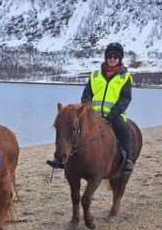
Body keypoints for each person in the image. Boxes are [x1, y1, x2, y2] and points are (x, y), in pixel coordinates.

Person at [46, 42, 134, 171]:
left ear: (119, 59)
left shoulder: (125, 77)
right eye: (110, 56)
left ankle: (128, 160)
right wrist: (87, 110)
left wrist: (111, 115)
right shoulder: (95, 75)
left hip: (114, 115)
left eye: (115, 57)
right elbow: (87, 95)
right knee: (69, 129)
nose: (112, 59)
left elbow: (125, 99)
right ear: (106, 58)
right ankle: (60, 157)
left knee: (122, 129)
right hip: (93, 114)